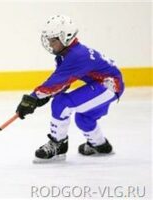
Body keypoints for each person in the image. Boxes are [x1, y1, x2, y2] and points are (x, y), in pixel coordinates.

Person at [16, 15, 124, 163]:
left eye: (53, 40)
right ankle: (100, 145)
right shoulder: (65, 55)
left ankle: (58, 144)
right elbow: (64, 83)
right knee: (84, 118)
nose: (49, 43)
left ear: (65, 37)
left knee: (61, 103)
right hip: (105, 84)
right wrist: (44, 96)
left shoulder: (77, 55)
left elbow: (56, 82)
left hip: (109, 85)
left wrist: (33, 98)